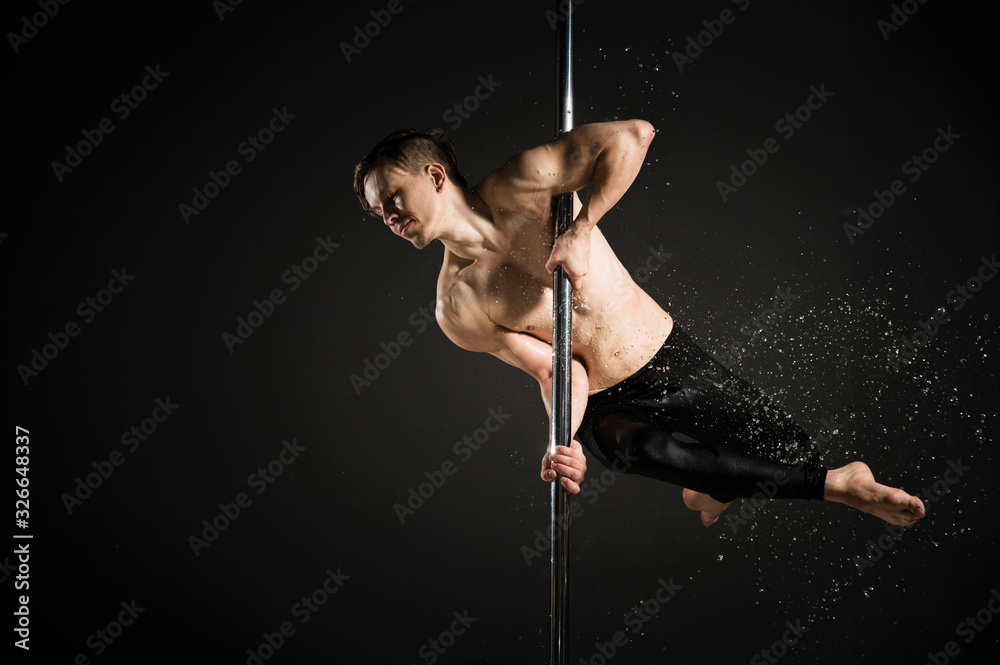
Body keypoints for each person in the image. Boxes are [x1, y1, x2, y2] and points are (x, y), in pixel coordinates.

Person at [353, 122, 926, 528]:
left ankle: (712, 491)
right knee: (634, 448)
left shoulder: (524, 182)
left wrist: (582, 228)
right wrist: (562, 442)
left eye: (393, 197)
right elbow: (559, 371)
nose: (389, 218)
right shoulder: (455, 307)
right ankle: (842, 485)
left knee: (792, 452)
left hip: (661, 355)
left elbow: (635, 136)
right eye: (380, 213)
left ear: (434, 175)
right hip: (604, 404)